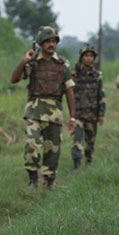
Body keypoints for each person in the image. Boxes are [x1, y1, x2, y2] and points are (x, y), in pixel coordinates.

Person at [10, 25, 76, 188]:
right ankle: (32, 180)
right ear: (41, 43)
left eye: (53, 41)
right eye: (47, 41)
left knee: (52, 149)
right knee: (31, 145)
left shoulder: (62, 64)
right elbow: (14, 79)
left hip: (54, 113)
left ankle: (49, 181)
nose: (51, 44)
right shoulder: (33, 63)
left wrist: (72, 117)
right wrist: (24, 61)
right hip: (34, 110)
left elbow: (69, 90)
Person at [71, 43, 106, 169]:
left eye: (91, 56)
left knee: (90, 142)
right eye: (86, 55)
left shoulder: (97, 75)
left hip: (92, 114)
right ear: (81, 57)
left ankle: (88, 162)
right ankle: (76, 164)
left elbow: (101, 95)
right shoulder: (75, 75)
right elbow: (69, 92)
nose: (89, 58)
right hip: (79, 114)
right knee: (77, 140)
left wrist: (101, 114)